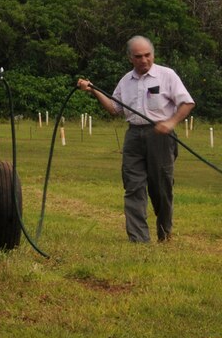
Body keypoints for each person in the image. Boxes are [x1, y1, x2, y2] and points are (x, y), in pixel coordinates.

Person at [77, 36, 195, 242]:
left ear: (153, 54)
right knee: (133, 185)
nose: (144, 60)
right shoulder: (125, 81)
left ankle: (164, 233)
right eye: (138, 56)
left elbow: (187, 103)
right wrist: (94, 90)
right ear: (130, 58)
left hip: (160, 135)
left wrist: (171, 122)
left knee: (161, 188)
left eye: (147, 55)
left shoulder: (167, 75)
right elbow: (115, 109)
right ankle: (139, 239)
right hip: (133, 135)